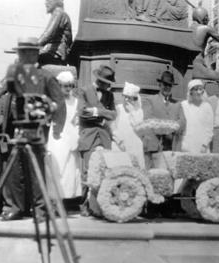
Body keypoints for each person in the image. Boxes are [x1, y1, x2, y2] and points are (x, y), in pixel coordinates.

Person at [0, 37, 66, 221]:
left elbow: (59, 102)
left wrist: (55, 125)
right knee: (14, 170)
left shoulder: (45, 76)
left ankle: (40, 210)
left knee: (35, 169)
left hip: (36, 128)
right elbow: (4, 98)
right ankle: (15, 207)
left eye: (27, 52)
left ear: (35, 54)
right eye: (20, 52)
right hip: (15, 129)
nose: (22, 56)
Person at [77, 64, 117, 216]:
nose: (108, 86)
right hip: (89, 136)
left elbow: (114, 115)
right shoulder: (84, 90)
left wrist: (96, 111)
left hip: (104, 137)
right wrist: (102, 117)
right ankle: (83, 204)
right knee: (87, 171)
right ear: (99, 81)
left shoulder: (110, 95)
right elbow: (81, 113)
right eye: (106, 83)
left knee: (104, 170)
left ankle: (99, 204)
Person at [47, 71, 82, 199]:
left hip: (71, 135)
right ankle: (54, 198)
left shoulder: (77, 102)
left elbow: (77, 119)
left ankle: (68, 198)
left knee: (70, 168)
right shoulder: (54, 100)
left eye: (70, 86)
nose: (68, 89)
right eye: (65, 86)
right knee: (57, 166)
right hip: (58, 135)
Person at [142, 71, 185, 167]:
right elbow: (149, 121)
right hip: (153, 147)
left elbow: (182, 123)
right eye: (165, 84)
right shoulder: (149, 100)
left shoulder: (177, 104)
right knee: (152, 176)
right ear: (159, 85)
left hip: (170, 148)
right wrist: (169, 127)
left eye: (170, 85)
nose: (167, 87)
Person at [111, 82, 145, 168]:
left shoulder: (138, 111)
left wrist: (132, 112)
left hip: (134, 147)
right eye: (125, 97)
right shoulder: (118, 109)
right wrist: (120, 141)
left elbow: (140, 128)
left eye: (129, 98)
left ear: (134, 99)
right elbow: (113, 126)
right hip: (120, 146)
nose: (126, 100)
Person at [180, 79, 213, 154]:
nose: (199, 92)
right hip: (186, 146)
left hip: (202, 147)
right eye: (196, 89)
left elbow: (209, 129)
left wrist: (204, 144)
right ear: (190, 91)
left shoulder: (207, 107)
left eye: (200, 89)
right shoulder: (183, 105)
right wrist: (183, 144)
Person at [38, 0, 72, 66]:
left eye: (48, 0)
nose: (46, 3)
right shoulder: (60, 13)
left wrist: (31, 46)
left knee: (29, 59)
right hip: (56, 52)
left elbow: (48, 34)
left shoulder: (58, 12)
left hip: (56, 53)